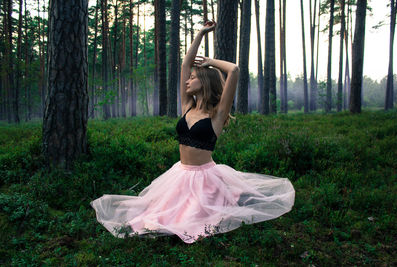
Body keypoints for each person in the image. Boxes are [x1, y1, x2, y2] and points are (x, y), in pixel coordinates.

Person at [91, 21, 295, 244]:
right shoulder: (187, 105)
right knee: (154, 217)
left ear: (205, 81)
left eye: (193, 77)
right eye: (188, 78)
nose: (187, 80)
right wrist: (200, 34)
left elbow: (234, 70)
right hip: (179, 174)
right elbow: (185, 65)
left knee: (190, 222)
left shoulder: (217, 114)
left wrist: (210, 62)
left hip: (204, 179)